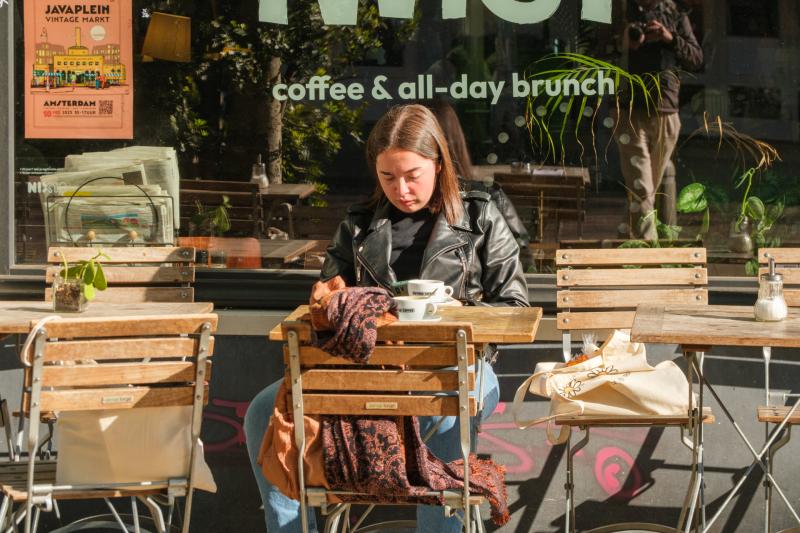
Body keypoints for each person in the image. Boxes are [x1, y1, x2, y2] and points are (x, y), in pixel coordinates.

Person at [244, 104, 528, 532]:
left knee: (444, 412)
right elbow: (326, 304)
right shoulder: (359, 225)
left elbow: (515, 307)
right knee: (263, 411)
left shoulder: (480, 215)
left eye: (413, 175)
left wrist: (459, 315)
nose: (402, 189)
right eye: (388, 177)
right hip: (370, 368)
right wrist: (339, 303)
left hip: (460, 366)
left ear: (438, 163)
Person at [615, 0, 703, 241]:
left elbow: (696, 59)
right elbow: (597, 55)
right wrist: (625, 44)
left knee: (645, 189)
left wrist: (669, 38)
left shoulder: (676, 15)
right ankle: (647, 247)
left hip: (666, 108)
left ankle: (626, 238)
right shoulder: (621, 12)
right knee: (642, 186)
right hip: (631, 108)